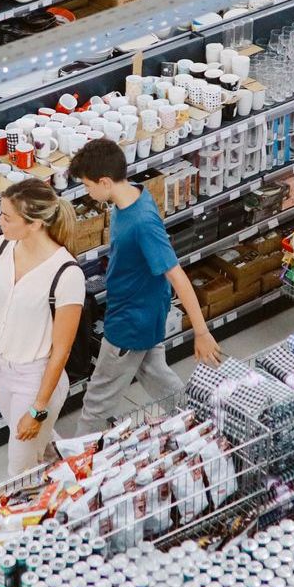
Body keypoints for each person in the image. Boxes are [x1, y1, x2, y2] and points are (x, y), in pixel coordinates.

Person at [68, 137, 221, 431]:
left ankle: (76, 466)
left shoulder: (141, 223)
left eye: (87, 186)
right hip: (146, 314)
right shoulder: (133, 195)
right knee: (156, 373)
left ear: (104, 181)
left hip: (129, 323)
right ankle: (202, 423)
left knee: (96, 404)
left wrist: (201, 332)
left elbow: (176, 274)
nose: (87, 192)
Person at [0, 179, 85, 475]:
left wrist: (38, 409)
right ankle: (72, 483)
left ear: (34, 224)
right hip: (2, 373)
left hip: (35, 379)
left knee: (18, 471)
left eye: (7, 217)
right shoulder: (2, 247)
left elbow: (62, 350)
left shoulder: (66, 274)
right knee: (37, 448)